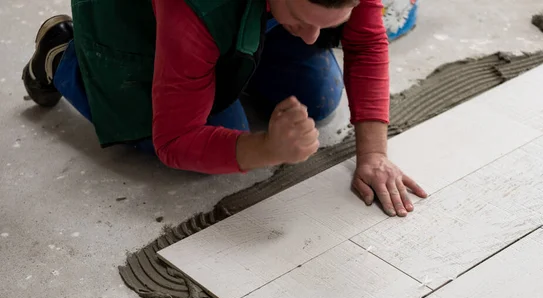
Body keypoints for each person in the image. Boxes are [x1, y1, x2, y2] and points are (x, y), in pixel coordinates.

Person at [22, 0, 427, 217]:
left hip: (242, 11)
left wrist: (373, 155)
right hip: (138, 19)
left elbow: (367, 41)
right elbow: (175, 140)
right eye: (303, 19)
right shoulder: (198, 6)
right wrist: (266, 149)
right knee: (217, 135)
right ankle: (63, 57)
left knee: (318, 94)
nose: (312, 39)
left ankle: (243, 43)